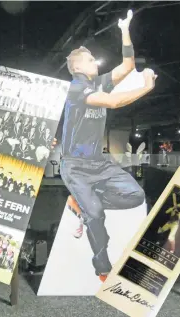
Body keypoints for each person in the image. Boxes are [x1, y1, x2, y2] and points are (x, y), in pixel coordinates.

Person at [60, 10, 157, 282]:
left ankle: (80, 203)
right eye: (91, 60)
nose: (96, 63)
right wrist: (146, 88)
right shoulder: (77, 89)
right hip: (76, 167)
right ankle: (102, 268)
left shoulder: (98, 82)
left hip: (99, 162)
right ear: (79, 67)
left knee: (136, 196)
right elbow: (113, 103)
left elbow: (127, 66)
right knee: (97, 216)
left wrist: (125, 30)